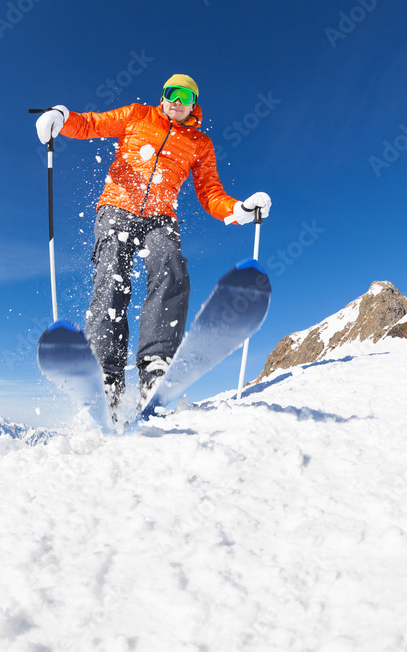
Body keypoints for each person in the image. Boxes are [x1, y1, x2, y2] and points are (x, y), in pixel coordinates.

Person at [36, 74, 271, 407]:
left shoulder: (199, 144)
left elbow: (210, 192)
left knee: (171, 268)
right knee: (112, 274)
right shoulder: (137, 115)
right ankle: (106, 372)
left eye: (185, 96)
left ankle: (155, 365)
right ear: (162, 96)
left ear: (194, 104)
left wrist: (238, 209)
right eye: (171, 93)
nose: (177, 100)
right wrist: (61, 117)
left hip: (161, 218)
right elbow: (91, 124)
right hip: (117, 206)